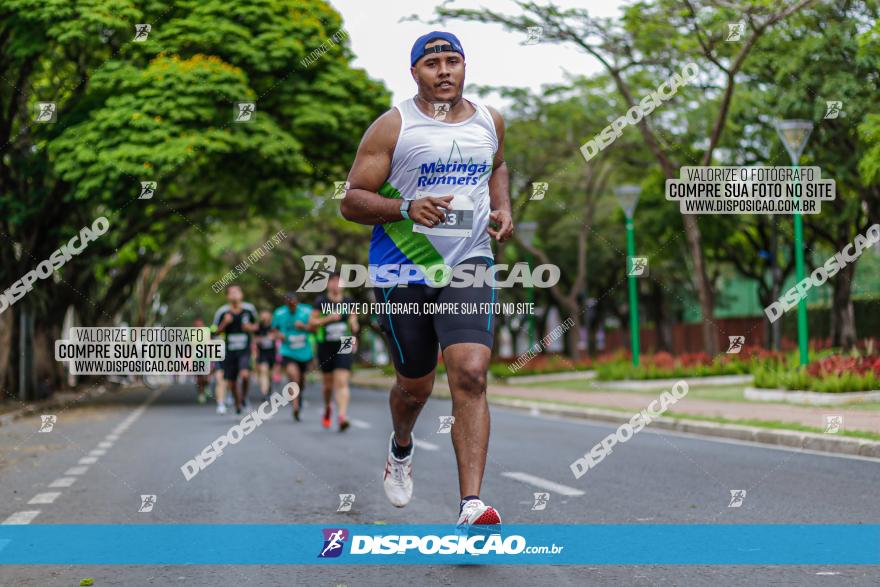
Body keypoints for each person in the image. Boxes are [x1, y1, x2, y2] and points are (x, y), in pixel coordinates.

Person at [339, 32, 513, 528]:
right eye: (432, 63)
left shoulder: (489, 121)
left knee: (472, 374)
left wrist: (501, 206)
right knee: (415, 385)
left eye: (453, 61)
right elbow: (351, 201)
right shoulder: (393, 127)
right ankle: (401, 445)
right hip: (403, 267)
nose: (444, 71)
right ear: (414, 72)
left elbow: (497, 165)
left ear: (465, 67)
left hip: (469, 262)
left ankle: (471, 505)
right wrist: (404, 207)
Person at [309, 274, 359, 432]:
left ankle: (342, 416)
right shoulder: (321, 301)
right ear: (328, 284)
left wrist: (354, 326)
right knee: (328, 384)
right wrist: (327, 319)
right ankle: (327, 407)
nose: (336, 284)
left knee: (342, 381)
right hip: (325, 344)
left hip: (344, 342)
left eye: (339, 281)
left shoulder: (349, 302)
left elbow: (354, 323)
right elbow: (311, 324)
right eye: (333, 281)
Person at [212, 285, 258, 415]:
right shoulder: (222, 312)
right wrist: (224, 323)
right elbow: (213, 332)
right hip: (229, 351)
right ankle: (238, 402)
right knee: (231, 382)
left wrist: (250, 327)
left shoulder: (249, 309)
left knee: (244, 375)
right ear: (228, 297)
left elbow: (257, 326)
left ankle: (243, 398)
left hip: (244, 350)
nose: (234, 295)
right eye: (231, 293)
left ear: (241, 295)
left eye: (237, 292)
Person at [272, 292, 314, 421]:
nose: (291, 307)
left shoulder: (307, 311)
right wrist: (279, 335)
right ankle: (295, 406)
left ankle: (298, 398)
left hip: (304, 352)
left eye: (293, 305)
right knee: (293, 376)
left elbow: (315, 329)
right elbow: (274, 330)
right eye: (288, 305)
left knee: (301, 380)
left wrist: (304, 326)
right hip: (287, 351)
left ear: (297, 302)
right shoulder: (279, 313)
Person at [254, 310, 277, 400]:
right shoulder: (258, 327)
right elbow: (254, 339)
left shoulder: (274, 326)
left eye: (266, 314)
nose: (264, 316)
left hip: (272, 353)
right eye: (262, 314)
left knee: (270, 374)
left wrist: (274, 336)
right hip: (262, 353)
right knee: (264, 370)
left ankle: (269, 388)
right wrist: (261, 339)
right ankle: (265, 393)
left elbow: (280, 336)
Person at [192, 318, 210, 404]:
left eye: (200, 324)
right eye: (196, 325)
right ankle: (201, 394)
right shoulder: (192, 334)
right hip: (196, 358)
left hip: (206, 357)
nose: (198, 326)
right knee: (199, 377)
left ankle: (206, 387)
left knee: (206, 377)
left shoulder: (207, 332)